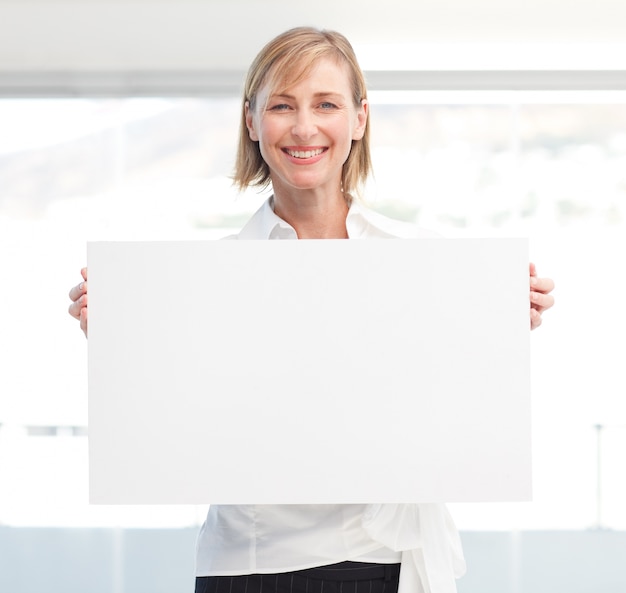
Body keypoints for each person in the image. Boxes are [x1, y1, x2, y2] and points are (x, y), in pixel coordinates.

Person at [68, 27, 555, 593]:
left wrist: (496, 327)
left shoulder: (421, 260)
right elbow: (176, 425)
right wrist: (122, 337)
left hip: (382, 561)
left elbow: (448, 412)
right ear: (251, 121)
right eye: (281, 105)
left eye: (326, 104)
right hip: (249, 564)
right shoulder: (204, 281)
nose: (304, 127)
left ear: (359, 119)